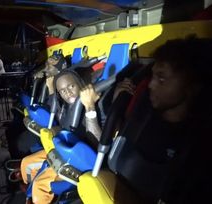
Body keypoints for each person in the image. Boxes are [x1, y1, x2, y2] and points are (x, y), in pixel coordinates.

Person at [77, 37, 212, 204]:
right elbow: (112, 147)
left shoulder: (199, 146)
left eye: (162, 78)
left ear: (192, 85)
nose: (151, 85)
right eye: (153, 77)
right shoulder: (144, 114)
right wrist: (115, 105)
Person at [20, 70, 102, 204]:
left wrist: (90, 107)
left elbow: (97, 142)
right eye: (63, 91)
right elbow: (57, 117)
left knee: (40, 186)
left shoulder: (93, 103)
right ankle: (30, 195)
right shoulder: (66, 106)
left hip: (80, 161)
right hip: (62, 152)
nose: (68, 93)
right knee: (26, 164)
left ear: (79, 84)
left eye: (71, 86)